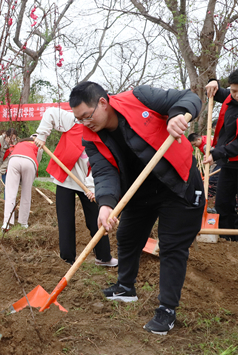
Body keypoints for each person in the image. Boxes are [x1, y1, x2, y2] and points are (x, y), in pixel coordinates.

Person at [69, 81, 204, 335]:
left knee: (172, 245)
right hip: (139, 190)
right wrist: (106, 204)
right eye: (79, 120)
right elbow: (103, 170)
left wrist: (177, 115)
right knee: (127, 236)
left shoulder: (139, 97)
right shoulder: (90, 136)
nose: (86, 123)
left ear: (103, 102)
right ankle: (125, 287)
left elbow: (189, 98)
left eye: (87, 116)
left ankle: (167, 309)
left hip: (177, 182)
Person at [34, 107, 117, 267]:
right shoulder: (74, 121)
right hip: (65, 179)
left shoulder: (104, 138)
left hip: (88, 183)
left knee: (96, 219)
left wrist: (93, 189)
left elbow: (101, 168)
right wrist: (42, 135)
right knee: (66, 220)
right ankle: (67, 260)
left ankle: (103, 257)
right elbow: (51, 113)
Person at [204, 74, 238, 240]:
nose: (236, 95)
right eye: (233, 91)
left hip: (230, 153)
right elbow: (214, 92)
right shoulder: (231, 97)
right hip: (229, 163)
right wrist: (212, 82)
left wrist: (215, 153)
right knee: (223, 202)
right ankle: (227, 239)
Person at [2, 135, 43, 230]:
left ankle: (6, 223)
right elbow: (38, 160)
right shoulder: (39, 144)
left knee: (10, 193)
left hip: (13, 160)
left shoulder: (20, 142)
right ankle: (23, 223)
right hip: (30, 162)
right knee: (26, 193)